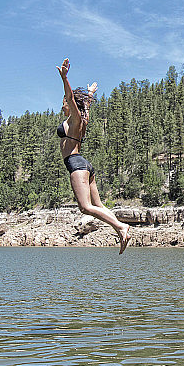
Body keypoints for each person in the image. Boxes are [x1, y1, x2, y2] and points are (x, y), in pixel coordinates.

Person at [56, 58, 130, 253]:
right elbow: (85, 105)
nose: (62, 106)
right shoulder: (84, 118)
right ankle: (120, 230)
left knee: (85, 207)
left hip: (76, 163)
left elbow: (71, 97)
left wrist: (65, 78)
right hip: (85, 165)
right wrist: (90, 94)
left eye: (63, 103)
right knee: (98, 204)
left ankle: (121, 226)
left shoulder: (75, 119)